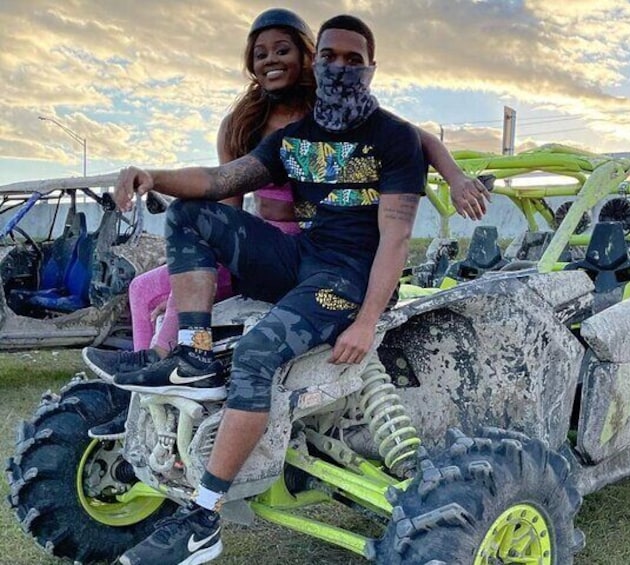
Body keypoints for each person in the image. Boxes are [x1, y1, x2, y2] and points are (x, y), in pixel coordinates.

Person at [111, 15, 435, 565]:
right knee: (193, 214)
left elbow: (396, 238)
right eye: (331, 56)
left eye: (354, 59)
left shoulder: (395, 140)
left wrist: (365, 320)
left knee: (258, 356)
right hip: (300, 258)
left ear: (372, 67)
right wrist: (151, 175)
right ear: (319, 61)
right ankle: (193, 352)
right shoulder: (294, 138)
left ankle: (204, 517)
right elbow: (219, 182)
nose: (341, 67)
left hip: (347, 277)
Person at [82, 8, 490, 394]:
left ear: (307, 57)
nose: (271, 60)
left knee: (189, 304)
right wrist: (203, 255)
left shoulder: (329, 109)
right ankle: (147, 378)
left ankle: (164, 361)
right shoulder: (243, 123)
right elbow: (224, 189)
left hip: (313, 244)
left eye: (283, 50)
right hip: (261, 241)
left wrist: (455, 177)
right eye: (260, 54)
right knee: (146, 289)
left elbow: (413, 137)